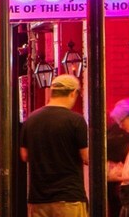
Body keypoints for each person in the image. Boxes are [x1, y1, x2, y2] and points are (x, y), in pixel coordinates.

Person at [21, 75, 88, 217]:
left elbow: (24, 155)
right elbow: (86, 157)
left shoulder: (31, 119)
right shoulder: (76, 120)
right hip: (69, 197)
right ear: (73, 93)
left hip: (38, 198)